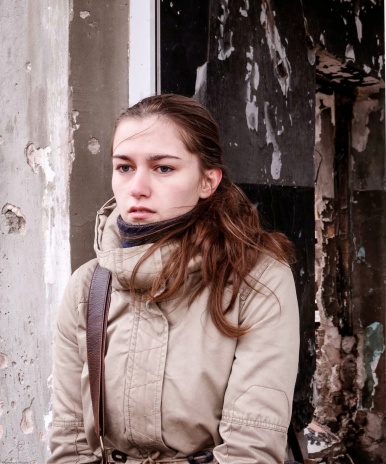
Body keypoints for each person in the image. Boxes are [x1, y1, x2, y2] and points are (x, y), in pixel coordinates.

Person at [48, 94, 300, 463]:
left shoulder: (257, 281)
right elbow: (70, 441)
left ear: (207, 181)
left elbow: (252, 448)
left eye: (163, 168)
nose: (137, 188)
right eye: (124, 167)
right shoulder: (89, 286)